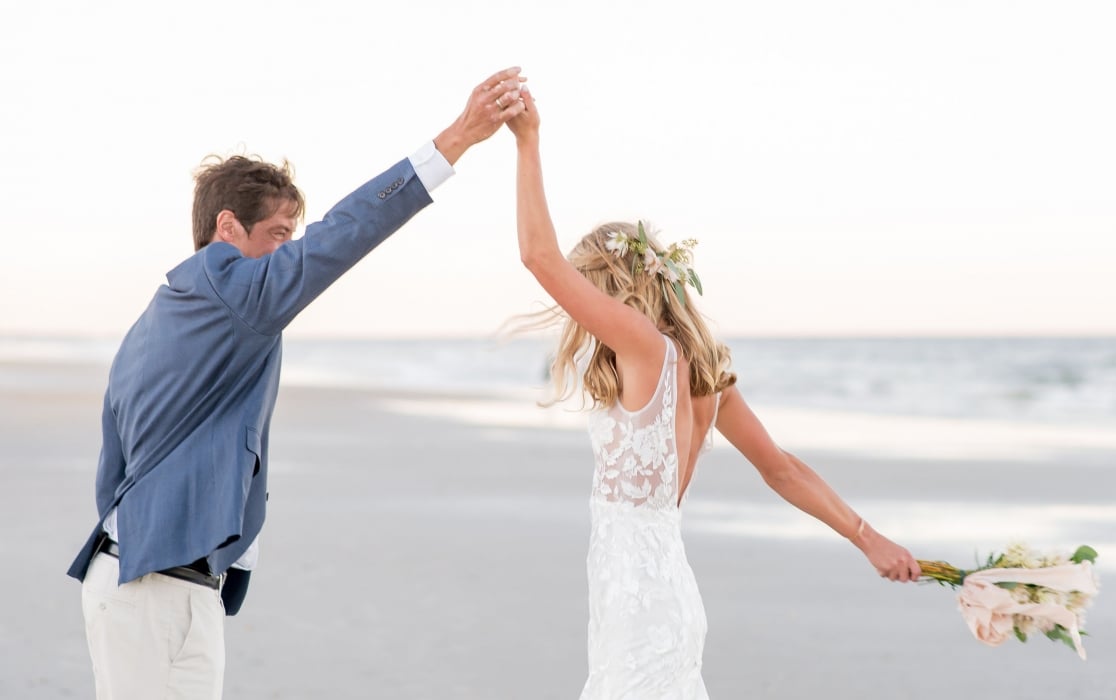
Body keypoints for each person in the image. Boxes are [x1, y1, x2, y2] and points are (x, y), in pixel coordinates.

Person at [65, 66, 528, 700]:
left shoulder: (157, 318)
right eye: (279, 236)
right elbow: (344, 233)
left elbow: (113, 468)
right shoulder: (234, 290)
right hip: (147, 588)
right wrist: (457, 138)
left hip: (170, 583)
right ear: (227, 229)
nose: (290, 252)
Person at [504, 87, 923, 698]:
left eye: (588, 291)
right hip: (658, 595)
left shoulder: (645, 348)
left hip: (638, 609)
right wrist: (867, 537)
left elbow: (538, 257)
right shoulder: (703, 374)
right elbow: (781, 470)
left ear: (613, 287)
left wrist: (528, 141)